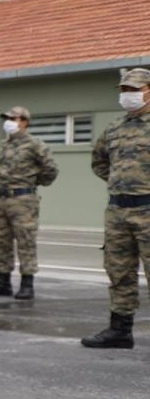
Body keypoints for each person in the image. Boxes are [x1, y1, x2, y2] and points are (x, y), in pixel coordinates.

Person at [82, 68, 150, 349]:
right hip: (118, 211)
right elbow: (99, 161)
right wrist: (118, 181)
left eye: (133, 90)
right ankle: (120, 330)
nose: (127, 95)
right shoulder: (114, 128)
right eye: (124, 90)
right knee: (119, 271)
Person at [0, 105, 58, 301]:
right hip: (1, 199)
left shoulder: (35, 145)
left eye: (13, 118)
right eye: (7, 118)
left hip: (24, 200)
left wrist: (31, 182)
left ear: (24, 122)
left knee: (25, 241)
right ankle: (2, 282)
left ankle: (27, 284)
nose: (9, 122)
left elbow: (51, 170)